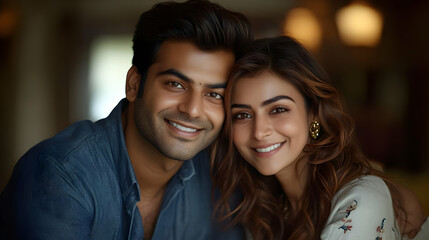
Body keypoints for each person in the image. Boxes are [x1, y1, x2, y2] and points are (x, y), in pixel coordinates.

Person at [0, 0, 252, 239]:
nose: (193, 110)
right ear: (134, 84)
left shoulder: (218, 179)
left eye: (213, 94)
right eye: (175, 84)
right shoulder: (58, 173)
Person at [212, 36, 428, 239]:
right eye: (242, 115)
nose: (259, 131)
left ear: (313, 113)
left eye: (278, 109)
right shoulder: (263, 206)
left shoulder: (361, 199)